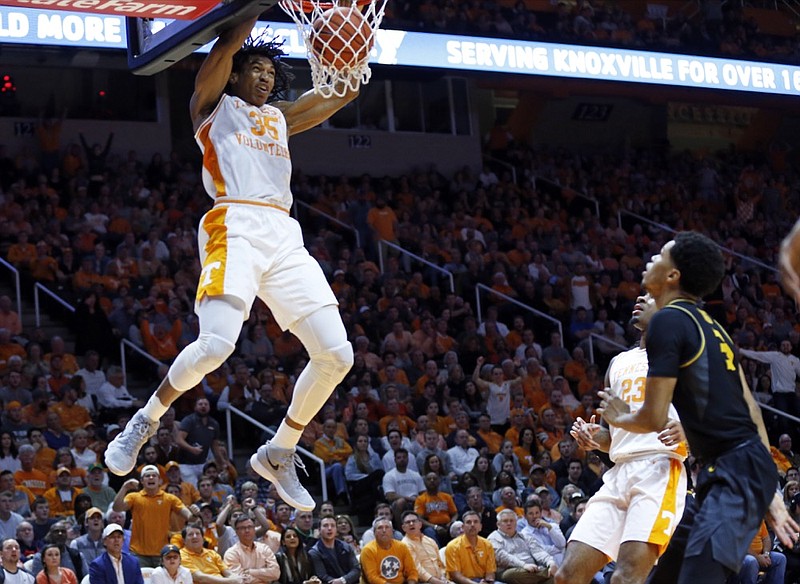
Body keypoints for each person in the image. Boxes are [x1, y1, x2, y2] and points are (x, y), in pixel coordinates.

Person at [104, 9, 358, 514]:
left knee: (337, 355)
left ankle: (280, 450)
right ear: (237, 73)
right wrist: (250, 11)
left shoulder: (280, 119)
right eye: (256, 70)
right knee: (217, 344)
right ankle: (146, 419)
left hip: (284, 233)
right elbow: (230, 40)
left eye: (271, 72)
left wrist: (352, 50)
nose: (265, 78)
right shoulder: (211, 108)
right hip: (233, 222)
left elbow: (340, 94)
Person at [598, 232, 799, 583]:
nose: (650, 261)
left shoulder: (667, 321)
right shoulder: (716, 328)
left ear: (673, 276)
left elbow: (653, 418)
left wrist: (619, 417)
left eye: (659, 256)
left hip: (732, 472)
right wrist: (770, 490)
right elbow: (751, 411)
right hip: (732, 470)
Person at [555, 295, 688, 584]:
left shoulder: (685, 357)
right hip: (618, 472)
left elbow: (719, 419)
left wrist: (689, 432)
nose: (641, 297)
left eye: (652, 295)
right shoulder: (618, 362)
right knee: (566, 575)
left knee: (624, 578)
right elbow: (611, 437)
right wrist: (593, 438)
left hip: (658, 469)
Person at [112, 465, 195, 568]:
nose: (151, 478)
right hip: (138, 554)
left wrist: (194, 513)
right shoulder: (134, 497)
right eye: (147, 476)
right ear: (142, 481)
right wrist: (124, 487)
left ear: (159, 480)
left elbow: (189, 517)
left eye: (154, 475)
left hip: (161, 554)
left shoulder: (169, 498)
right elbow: (116, 508)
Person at [487, 509, 555, 584]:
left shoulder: (525, 537)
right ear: (498, 524)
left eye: (512, 520)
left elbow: (538, 551)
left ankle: (550, 575)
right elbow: (503, 557)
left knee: (554, 580)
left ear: (516, 523)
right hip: (508, 571)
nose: (509, 523)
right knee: (512, 575)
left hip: (532, 571)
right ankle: (552, 573)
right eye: (505, 521)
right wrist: (523, 565)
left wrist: (550, 562)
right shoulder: (493, 537)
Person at [360, 517, 418, 584]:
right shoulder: (368, 550)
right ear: (374, 533)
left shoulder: (402, 546)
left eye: (387, 527)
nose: (384, 530)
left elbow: (412, 572)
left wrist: (412, 582)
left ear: (392, 532)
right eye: (380, 528)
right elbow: (372, 578)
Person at [223, 515, 280, 584]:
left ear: (254, 529)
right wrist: (265, 575)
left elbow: (276, 573)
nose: (247, 530)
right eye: (242, 528)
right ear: (236, 532)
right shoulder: (231, 553)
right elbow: (239, 580)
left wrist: (250, 571)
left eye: (250, 527)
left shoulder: (264, 548)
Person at [444, 510, 496, 584]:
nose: (472, 525)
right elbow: (456, 576)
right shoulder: (453, 546)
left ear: (480, 527)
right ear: (463, 527)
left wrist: (488, 582)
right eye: (468, 522)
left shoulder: (487, 544)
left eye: (475, 522)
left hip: (483, 581)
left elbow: (490, 572)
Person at [400, 511, 450, 584]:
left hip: (441, 580)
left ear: (420, 524)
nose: (411, 524)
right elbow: (417, 569)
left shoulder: (430, 541)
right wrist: (438, 582)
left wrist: (443, 576)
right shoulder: (404, 544)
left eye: (414, 521)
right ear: (403, 528)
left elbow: (440, 564)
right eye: (408, 522)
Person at [308, 516, 361, 584]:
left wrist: (343, 580)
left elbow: (356, 569)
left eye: (332, 526)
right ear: (319, 530)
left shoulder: (346, 547)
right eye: (325, 526)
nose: (329, 528)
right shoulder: (314, 552)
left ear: (336, 529)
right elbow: (321, 575)